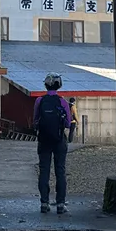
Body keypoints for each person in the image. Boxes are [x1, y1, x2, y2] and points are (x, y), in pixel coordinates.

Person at [33, 73, 72, 214]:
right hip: (59, 139)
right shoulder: (63, 102)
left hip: (44, 140)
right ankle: (60, 204)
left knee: (44, 171)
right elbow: (68, 123)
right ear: (59, 85)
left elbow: (35, 121)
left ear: (45, 85)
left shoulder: (39, 101)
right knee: (60, 170)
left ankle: (44, 203)